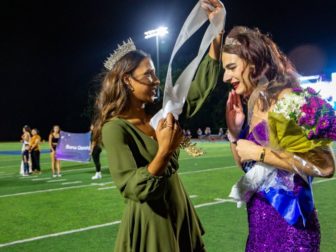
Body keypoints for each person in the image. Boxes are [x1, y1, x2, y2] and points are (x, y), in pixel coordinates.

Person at [92, 1, 223, 250]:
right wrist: (164, 151)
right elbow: (132, 187)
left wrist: (216, 33)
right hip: (152, 221)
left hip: (179, 210)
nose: (156, 80)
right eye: (148, 75)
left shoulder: (159, 116)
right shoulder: (115, 128)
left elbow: (194, 93)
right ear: (127, 81)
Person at [222, 26, 336, 251]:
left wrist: (260, 153)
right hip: (258, 230)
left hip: (291, 231)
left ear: (252, 61)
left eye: (231, 67)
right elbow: (247, 166)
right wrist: (234, 133)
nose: (226, 77)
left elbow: (326, 165)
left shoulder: (291, 99)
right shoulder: (256, 103)